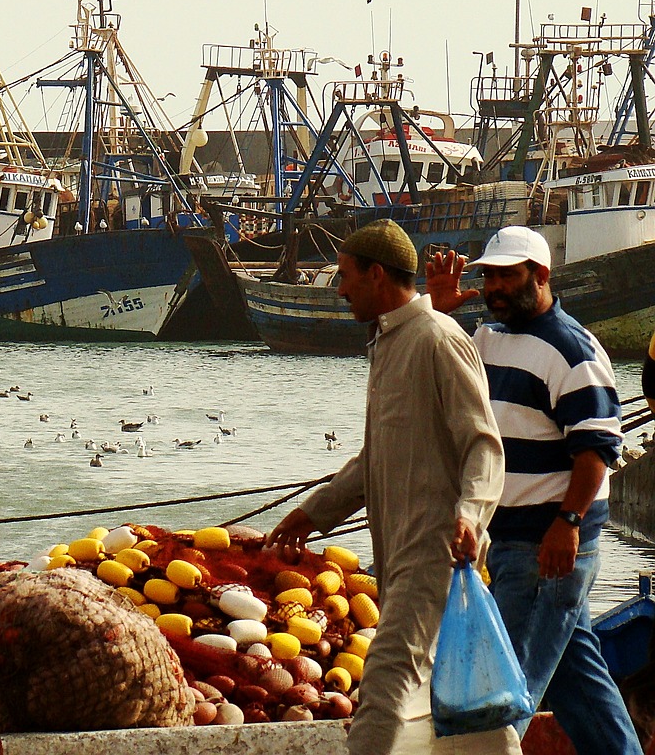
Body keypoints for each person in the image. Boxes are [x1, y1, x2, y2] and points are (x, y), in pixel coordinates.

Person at [267, 219, 515, 754]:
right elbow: (374, 459)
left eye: (346, 276)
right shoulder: (388, 342)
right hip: (402, 549)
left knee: (385, 678)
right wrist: (313, 513)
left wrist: (470, 515)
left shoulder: (438, 340)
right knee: (467, 702)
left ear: (377, 275)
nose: (339, 289)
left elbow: (483, 445)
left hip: (437, 548)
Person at [427, 226, 642, 755]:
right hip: (510, 541)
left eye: (507, 275)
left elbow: (595, 450)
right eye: (490, 276)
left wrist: (566, 526)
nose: (495, 287)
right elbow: (441, 379)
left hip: (547, 544)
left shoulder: (573, 350)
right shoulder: (487, 337)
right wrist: (439, 313)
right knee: (579, 685)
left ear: (540, 276)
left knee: (505, 684)